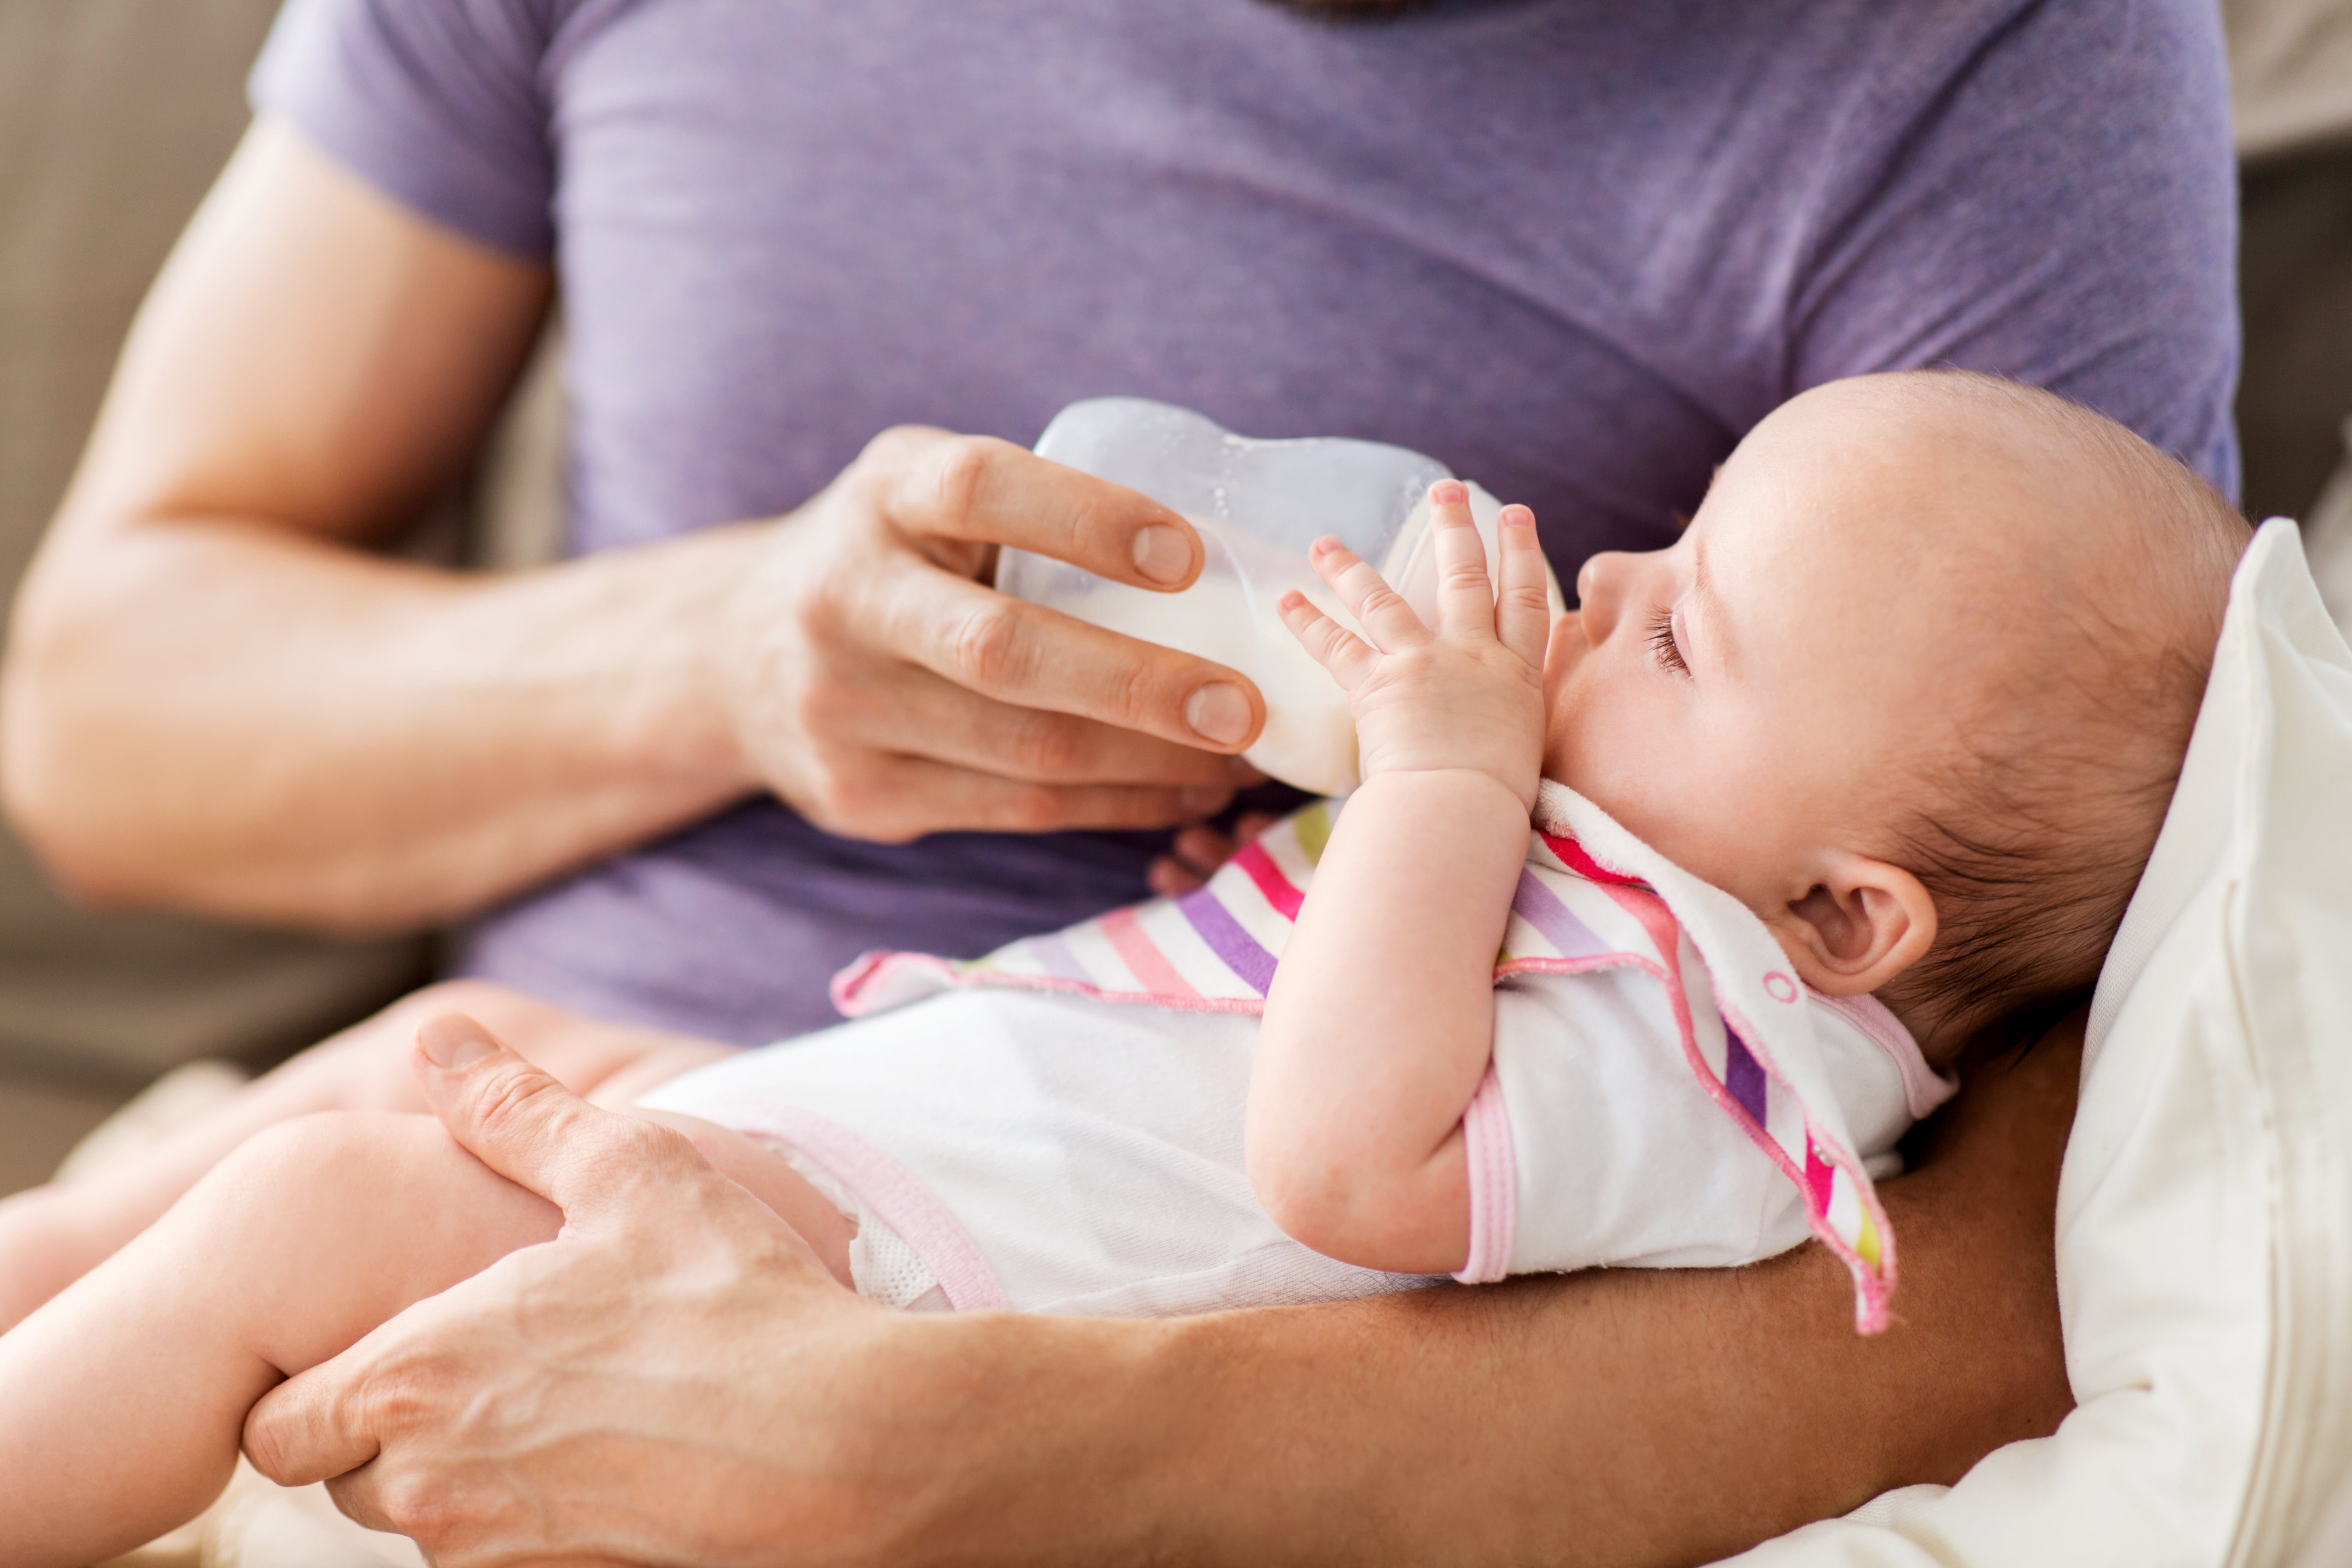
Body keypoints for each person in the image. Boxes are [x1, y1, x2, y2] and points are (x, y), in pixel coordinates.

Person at [0, 0, 2236, 1560]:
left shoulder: (1727, 1017)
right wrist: (709, 659)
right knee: (381, 1087)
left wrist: (963, 1454)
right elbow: (95, 724)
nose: (1608, 571)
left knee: (319, 1205)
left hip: (950, 1272)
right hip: (835, 1083)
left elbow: (2077, 1207)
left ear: (1853, 923)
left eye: (1677, 619)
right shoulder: (1593, 875)